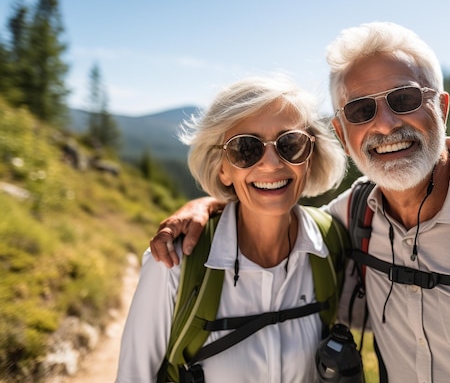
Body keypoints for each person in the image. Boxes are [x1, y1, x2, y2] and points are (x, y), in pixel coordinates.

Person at [148, 22, 450, 383]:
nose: (383, 125)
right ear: (342, 133)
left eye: (403, 99)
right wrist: (208, 205)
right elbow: (271, 210)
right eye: (360, 110)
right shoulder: (349, 221)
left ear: (440, 108)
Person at [115, 75, 348, 383]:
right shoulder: (174, 263)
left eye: (290, 144)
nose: (271, 163)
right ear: (222, 168)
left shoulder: (333, 242)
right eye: (245, 149)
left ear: (310, 156)